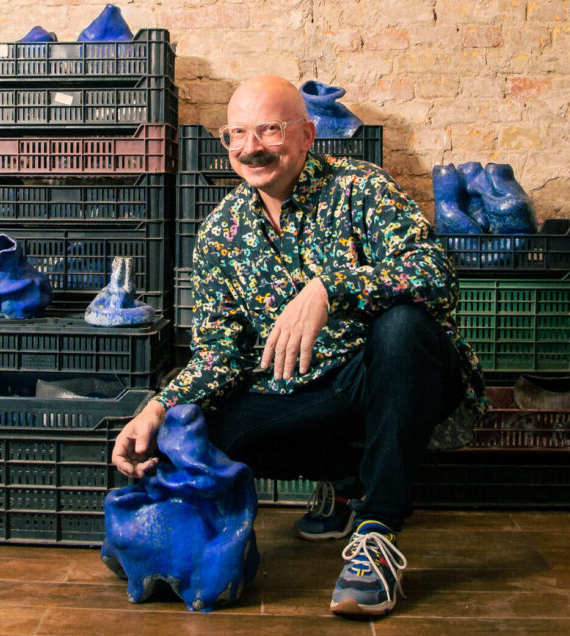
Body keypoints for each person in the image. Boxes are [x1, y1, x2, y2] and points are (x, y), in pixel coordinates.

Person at [112, 75, 484, 616]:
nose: (250, 147)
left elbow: (435, 271)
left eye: (269, 129)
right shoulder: (221, 231)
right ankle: (345, 477)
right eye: (236, 133)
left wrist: (332, 288)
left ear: (307, 134)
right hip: (304, 393)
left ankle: (376, 530)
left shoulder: (360, 187)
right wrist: (158, 407)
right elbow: (219, 355)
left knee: (404, 326)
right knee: (192, 429)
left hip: (388, 376)